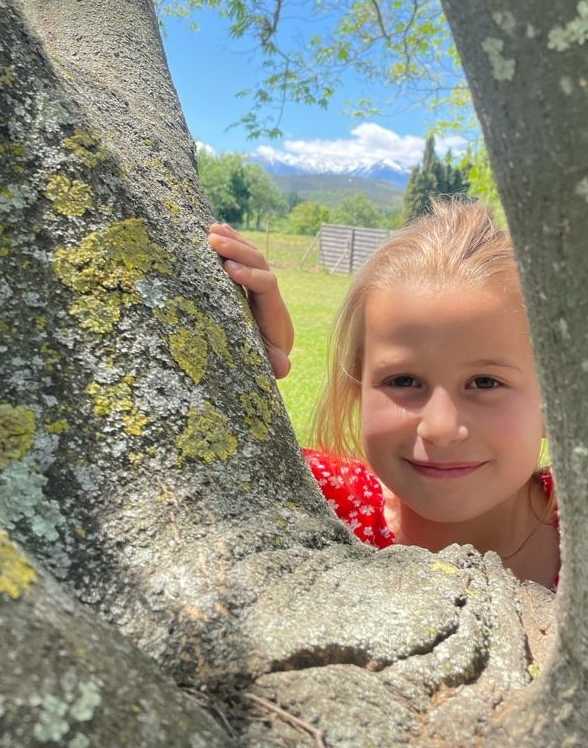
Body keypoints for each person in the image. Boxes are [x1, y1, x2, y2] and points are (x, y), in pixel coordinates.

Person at [208, 200, 559, 589]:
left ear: (554, 404)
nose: (440, 428)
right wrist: (245, 359)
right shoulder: (317, 497)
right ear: (358, 386)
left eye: (485, 382)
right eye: (404, 381)